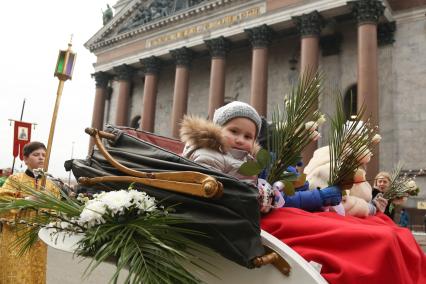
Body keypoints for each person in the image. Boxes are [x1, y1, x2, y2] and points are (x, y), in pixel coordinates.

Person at [0, 141, 60, 284]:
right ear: (25, 159)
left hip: (38, 239)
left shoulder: (51, 185)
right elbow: (2, 200)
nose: (41, 158)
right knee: (16, 273)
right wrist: (26, 200)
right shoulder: (15, 180)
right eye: (36, 154)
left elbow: (56, 209)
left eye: (44, 155)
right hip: (15, 235)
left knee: (35, 273)